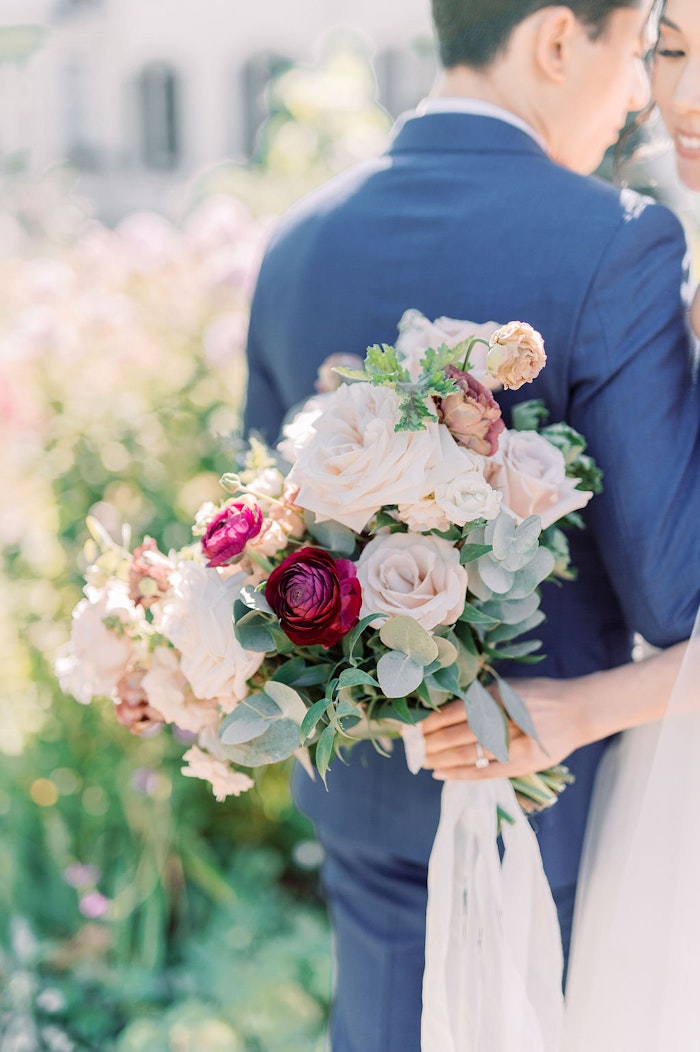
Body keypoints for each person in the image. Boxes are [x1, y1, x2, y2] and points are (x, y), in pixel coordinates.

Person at [243, 0, 700, 1047]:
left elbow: (263, 534)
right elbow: (676, 593)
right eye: (639, 51)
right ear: (555, 40)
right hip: (554, 817)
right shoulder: (615, 239)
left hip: (361, 799)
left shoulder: (299, 241)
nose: (641, 93)